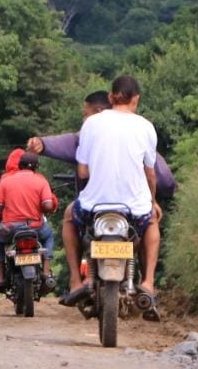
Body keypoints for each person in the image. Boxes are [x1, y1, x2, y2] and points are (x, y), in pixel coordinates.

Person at [61, 75, 162, 321]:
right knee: (151, 222)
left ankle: (75, 281)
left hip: (94, 206)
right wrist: (153, 201)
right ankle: (148, 282)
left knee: (67, 217)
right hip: (134, 208)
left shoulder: (92, 124)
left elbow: (82, 170)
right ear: (136, 99)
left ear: (110, 97)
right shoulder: (146, 126)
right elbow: (150, 174)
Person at [26, 90, 176, 199]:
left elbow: (70, 143)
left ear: (98, 112)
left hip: (95, 204)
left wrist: (42, 144)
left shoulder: (87, 138)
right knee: (151, 225)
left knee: (70, 218)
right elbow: (164, 178)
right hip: (133, 205)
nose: (84, 120)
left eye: (85, 114)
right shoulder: (136, 135)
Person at [0, 151, 58, 294]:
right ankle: (45, 270)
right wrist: (43, 207)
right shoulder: (41, 181)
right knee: (49, 235)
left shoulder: (6, 181)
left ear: (18, 165)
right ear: (36, 167)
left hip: (10, 228)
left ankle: (1, 277)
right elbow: (48, 206)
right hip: (35, 228)